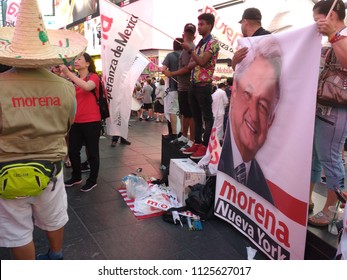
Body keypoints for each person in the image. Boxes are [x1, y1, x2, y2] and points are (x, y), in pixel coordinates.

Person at [0, 0, 86, 259]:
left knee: (17, 231)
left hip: (7, 169)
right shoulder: (65, 87)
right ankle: (56, 255)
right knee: (54, 217)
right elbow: (66, 125)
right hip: (51, 166)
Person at [218, 35, 282, 205]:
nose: (253, 115)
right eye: (248, 94)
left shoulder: (267, 193)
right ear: (235, 91)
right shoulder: (219, 162)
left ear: (271, 119)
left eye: (263, 105)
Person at [308, 0, 347, 226]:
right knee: (314, 158)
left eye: (318, 20)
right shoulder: (329, 39)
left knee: (330, 158)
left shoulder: (339, 36)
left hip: (337, 109)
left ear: (333, 14)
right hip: (321, 105)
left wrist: (333, 37)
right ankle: (308, 200)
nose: (316, 26)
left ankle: (332, 210)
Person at [180, 13, 220, 160]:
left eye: (202, 24)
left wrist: (191, 51)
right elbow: (192, 63)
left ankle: (205, 145)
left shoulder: (213, 42)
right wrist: (192, 56)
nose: (199, 27)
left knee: (206, 117)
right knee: (196, 116)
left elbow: (202, 62)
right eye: (199, 24)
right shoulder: (200, 44)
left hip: (204, 85)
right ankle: (197, 142)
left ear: (210, 25)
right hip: (194, 84)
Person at [61, 53, 101, 192]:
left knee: (92, 152)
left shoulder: (94, 77)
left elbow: (87, 87)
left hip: (92, 120)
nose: (76, 61)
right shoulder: (75, 79)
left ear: (88, 63)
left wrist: (68, 73)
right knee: (72, 151)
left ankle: (92, 180)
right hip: (76, 121)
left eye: (79, 59)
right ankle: (76, 176)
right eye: (75, 59)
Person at [162, 23, 196, 151]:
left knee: (189, 114)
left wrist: (171, 73)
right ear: (183, 34)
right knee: (184, 113)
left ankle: (190, 139)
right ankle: (183, 136)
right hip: (181, 87)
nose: (188, 35)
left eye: (190, 33)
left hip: (187, 87)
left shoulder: (191, 49)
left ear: (194, 35)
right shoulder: (184, 51)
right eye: (187, 32)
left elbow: (187, 68)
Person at [162, 38, 183, 140]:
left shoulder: (170, 56)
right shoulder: (187, 55)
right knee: (184, 111)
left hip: (173, 88)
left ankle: (174, 133)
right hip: (185, 87)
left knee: (173, 111)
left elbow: (163, 69)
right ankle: (182, 133)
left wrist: (169, 73)